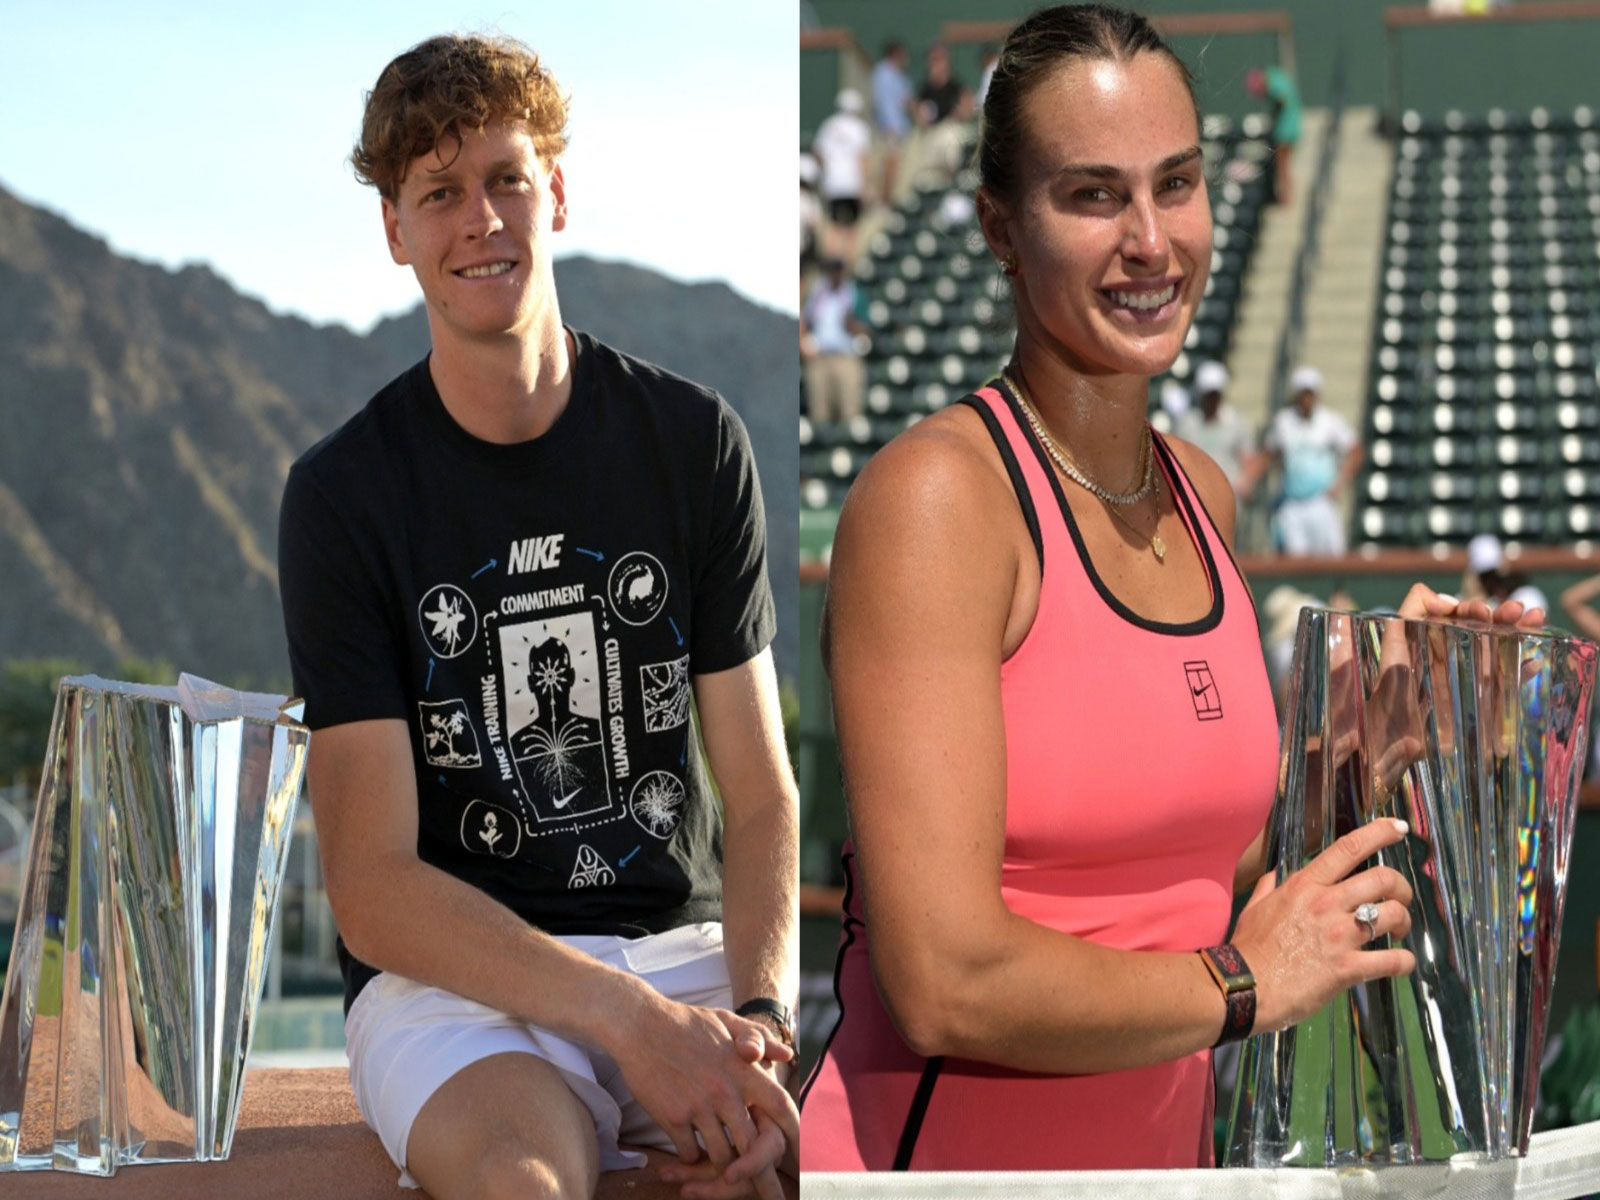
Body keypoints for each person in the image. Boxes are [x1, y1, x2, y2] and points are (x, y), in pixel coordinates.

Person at [797, 4, 1536, 1173]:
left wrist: (1375, 731)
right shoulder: (934, 503)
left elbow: (1202, 889)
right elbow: (945, 982)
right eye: (1092, 196)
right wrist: (1244, 986)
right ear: (1000, 224)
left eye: (1175, 184)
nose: (1151, 240)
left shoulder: (1204, 493)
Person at [276, 34, 798, 1200]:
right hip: (465, 994)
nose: (481, 219)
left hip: (691, 960)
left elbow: (760, 798)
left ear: (555, 189)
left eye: (506, 177)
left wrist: (758, 1024)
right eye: (438, 193)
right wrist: (627, 1023)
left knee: (785, 1173)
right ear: (396, 232)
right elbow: (370, 885)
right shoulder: (344, 493)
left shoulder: (692, 440)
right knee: (527, 1185)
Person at [1265, 365, 1363, 557]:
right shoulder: (1283, 421)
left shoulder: (1330, 421)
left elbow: (1356, 450)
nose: (1306, 399)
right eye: (1303, 393)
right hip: (1292, 503)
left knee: (1334, 558)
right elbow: (1270, 453)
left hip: (1321, 502)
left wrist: (1341, 482)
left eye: (1310, 393)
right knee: (1296, 562)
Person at [1173, 359, 1261, 497]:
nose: (1212, 399)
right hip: (1193, 496)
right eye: (1208, 394)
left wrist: (1245, 482)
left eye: (1215, 394)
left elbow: (1248, 459)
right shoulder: (1187, 424)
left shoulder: (1238, 424)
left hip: (1226, 496)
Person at [800, 258, 869, 425]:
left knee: (850, 412)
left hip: (845, 356)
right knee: (819, 413)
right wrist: (803, 343)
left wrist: (850, 323)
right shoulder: (818, 293)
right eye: (833, 269)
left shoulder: (854, 293)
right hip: (819, 358)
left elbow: (866, 328)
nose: (836, 273)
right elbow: (806, 320)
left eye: (839, 269)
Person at [812, 88, 872, 261]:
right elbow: (863, 160)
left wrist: (827, 170)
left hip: (832, 183)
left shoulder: (829, 125)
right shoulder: (860, 129)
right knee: (851, 229)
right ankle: (847, 266)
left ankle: (831, 264)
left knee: (834, 225)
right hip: (852, 184)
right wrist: (865, 186)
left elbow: (818, 153)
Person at [1246, 63, 1300, 205]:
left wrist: (1273, 116)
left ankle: (1286, 197)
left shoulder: (1273, 84)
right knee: (1284, 165)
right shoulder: (1278, 77)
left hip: (1285, 130)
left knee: (1282, 166)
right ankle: (1286, 196)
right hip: (1292, 128)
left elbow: (1283, 100)